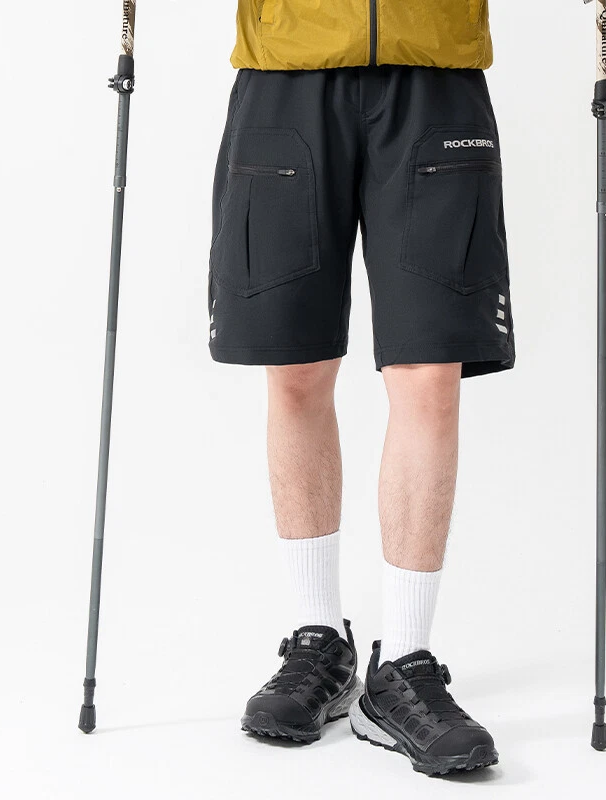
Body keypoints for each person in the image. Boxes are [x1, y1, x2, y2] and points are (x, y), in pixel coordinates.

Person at [209, 0, 514, 776]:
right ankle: (317, 642)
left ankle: (403, 664)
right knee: (295, 367)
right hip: (288, 69)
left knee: (431, 372)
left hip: (433, 69)